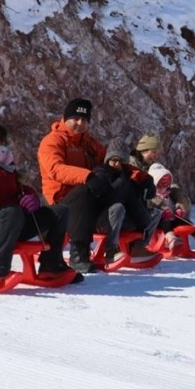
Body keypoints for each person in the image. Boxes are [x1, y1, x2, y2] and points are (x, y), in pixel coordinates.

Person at [0, 121, 82, 285]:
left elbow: (20, 188)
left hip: (14, 223)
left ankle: (51, 263)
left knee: (60, 211)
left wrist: (30, 198)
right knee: (11, 212)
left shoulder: (7, 165)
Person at [37, 98, 158, 274]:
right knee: (84, 191)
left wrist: (142, 177)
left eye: (85, 120)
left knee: (125, 180)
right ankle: (79, 252)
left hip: (92, 194)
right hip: (63, 200)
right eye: (76, 119)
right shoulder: (52, 141)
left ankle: (136, 243)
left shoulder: (89, 143)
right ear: (65, 118)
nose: (80, 123)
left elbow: (113, 162)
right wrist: (87, 176)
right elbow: (55, 169)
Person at [147, 163, 195, 253]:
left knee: (185, 221)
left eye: (166, 185)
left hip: (172, 217)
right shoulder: (150, 195)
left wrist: (178, 209)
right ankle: (171, 240)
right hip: (157, 221)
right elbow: (150, 205)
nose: (163, 188)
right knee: (165, 222)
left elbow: (179, 197)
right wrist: (163, 211)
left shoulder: (170, 193)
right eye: (160, 185)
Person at [129, 133, 194, 221]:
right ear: (144, 150)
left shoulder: (151, 166)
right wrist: (163, 205)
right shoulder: (132, 167)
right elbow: (141, 193)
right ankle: (170, 230)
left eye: (157, 153)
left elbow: (168, 183)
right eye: (154, 152)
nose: (156, 156)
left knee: (182, 200)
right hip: (140, 205)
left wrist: (180, 199)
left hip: (154, 201)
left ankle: (184, 225)